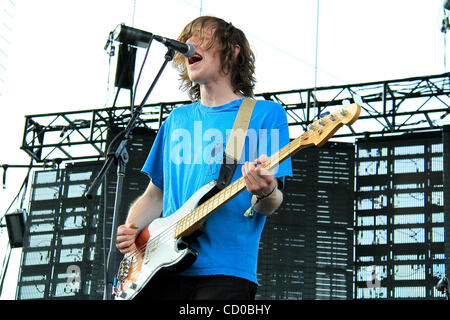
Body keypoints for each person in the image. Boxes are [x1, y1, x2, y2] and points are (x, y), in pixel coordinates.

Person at [115, 15, 292, 300]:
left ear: (232, 49)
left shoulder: (263, 115)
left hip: (226, 272)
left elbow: (270, 204)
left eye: (202, 38)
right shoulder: (176, 120)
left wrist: (266, 190)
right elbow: (154, 195)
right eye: (187, 39)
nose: (189, 44)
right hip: (161, 271)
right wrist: (133, 230)